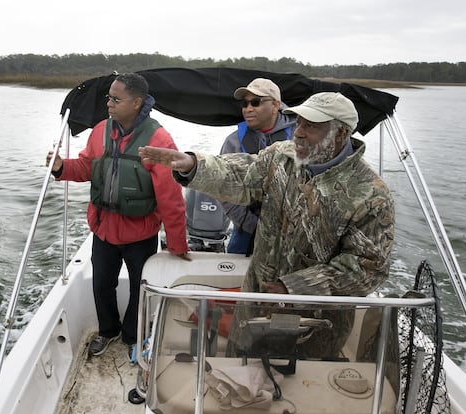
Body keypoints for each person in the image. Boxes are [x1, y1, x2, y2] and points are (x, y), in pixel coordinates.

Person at [138, 91, 395, 359]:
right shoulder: (280, 158)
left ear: (341, 134)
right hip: (253, 307)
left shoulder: (371, 194)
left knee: (299, 390)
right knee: (239, 372)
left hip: (316, 326)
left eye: (311, 126)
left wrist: (294, 287)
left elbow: (368, 268)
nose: (299, 133)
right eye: (299, 123)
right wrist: (193, 165)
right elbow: (239, 175)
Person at [46, 72, 190, 359]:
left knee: (140, 289)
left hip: (141, 235)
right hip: (103, 231)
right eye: (108, 97)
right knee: (101, 285)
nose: (108, 103)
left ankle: (132, 335)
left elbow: (170, 199)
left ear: (137, 102)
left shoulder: (159, 139)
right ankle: (108, 330)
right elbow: (86, 168)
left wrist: (177, 246)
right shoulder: (100, 131)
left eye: (115, 99)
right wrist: (61, 167)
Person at [220, 78, 296, 255]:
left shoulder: (300, 135)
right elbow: (223, 188)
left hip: (292, 232)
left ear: (276, 105)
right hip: (247, 229)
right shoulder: (234, 142)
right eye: (245, 103)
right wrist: (251, 225)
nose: (248, 109)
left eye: (256, 102)